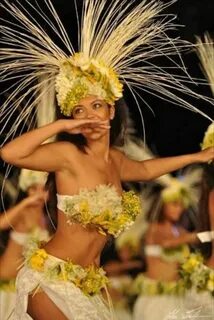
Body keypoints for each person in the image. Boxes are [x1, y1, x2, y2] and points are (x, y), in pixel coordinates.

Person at [0, 1, 214, 319]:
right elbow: (10, 153)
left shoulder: (116, 161)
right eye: (79, 111)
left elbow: (145, 169)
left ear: (111, 111)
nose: (88, 116)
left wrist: (199, 156)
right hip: (49, 281)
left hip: (88, 284)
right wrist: (62, 125)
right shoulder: (67, 155)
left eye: (97, 106)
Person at [0, 169, 49, 320]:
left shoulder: (51, 217)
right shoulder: (23, 212)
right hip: (11, 280)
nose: (40, 194)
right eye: (34, 188)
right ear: (27, 190)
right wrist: (26, 202)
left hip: (34, 286)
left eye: (44, 189)